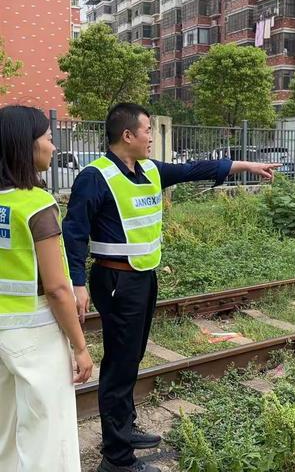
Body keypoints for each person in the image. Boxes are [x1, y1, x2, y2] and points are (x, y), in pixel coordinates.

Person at [62, 103, 281, 472]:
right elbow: (74, 231)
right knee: (118, 365)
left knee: (132, 356)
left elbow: (193, 169)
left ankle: (124, 427)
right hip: (115, 280)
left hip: (143, 277)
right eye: (148, 130)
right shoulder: (95, 177)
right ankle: (116, 460)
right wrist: (78, 283)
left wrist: (245, 166)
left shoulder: (148, 170)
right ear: (127, 135)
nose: (152, 136)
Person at [0, 105, 93, 472]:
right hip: (34, 333)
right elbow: (56, 288)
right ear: (27, 145)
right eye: (49, 139)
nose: (53, 147)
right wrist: (80, 347)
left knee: (6, 430)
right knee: (48, 435)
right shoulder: (36, 205)